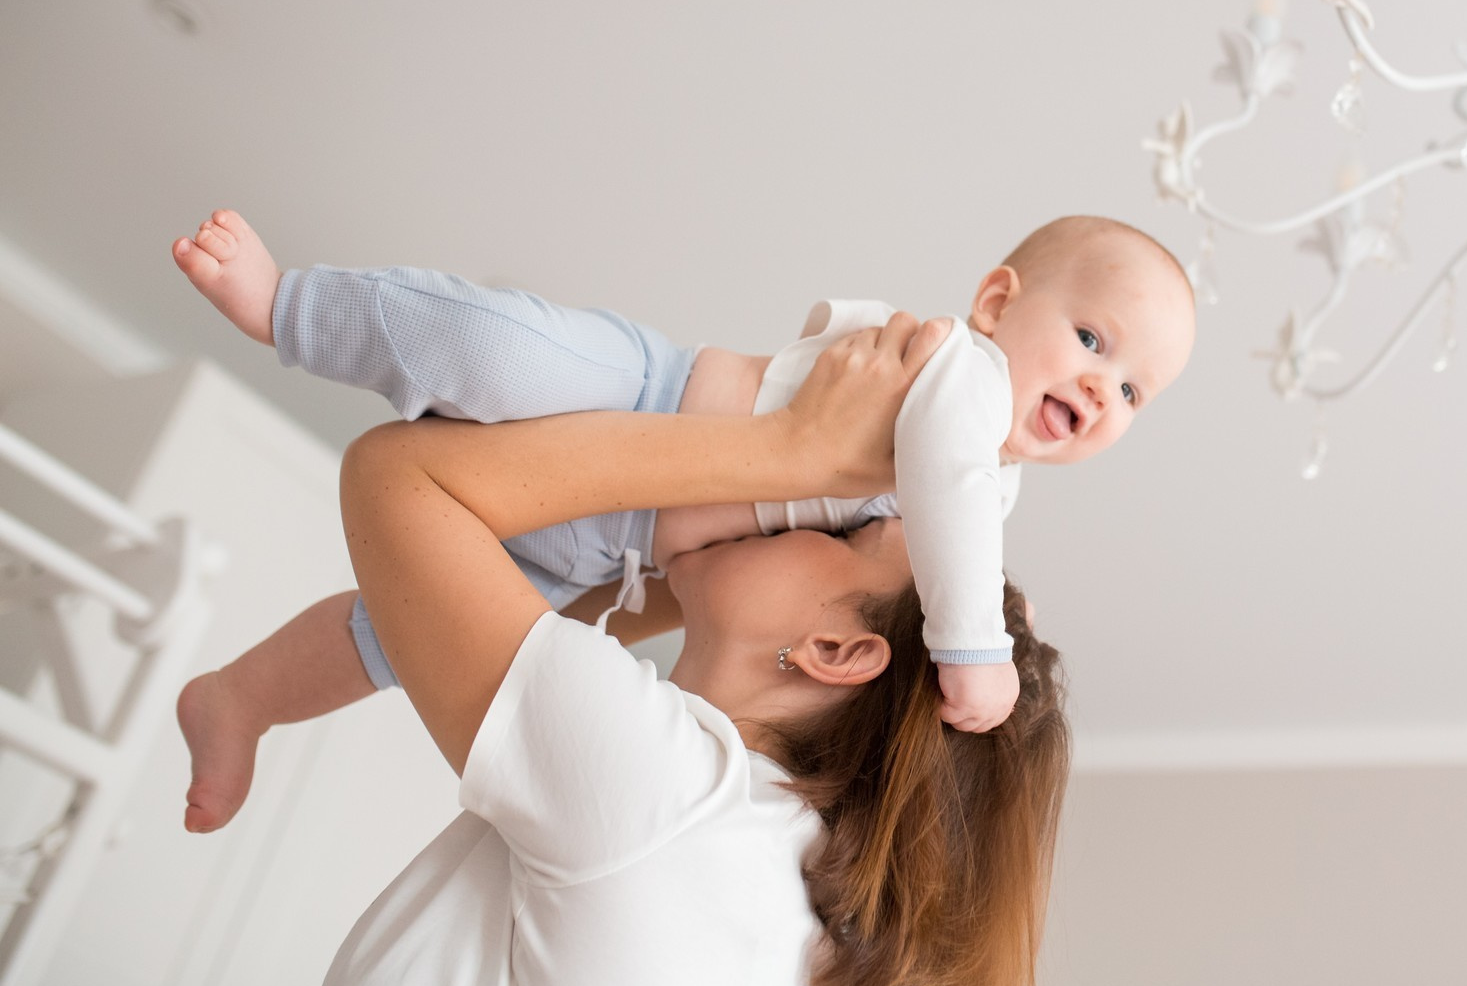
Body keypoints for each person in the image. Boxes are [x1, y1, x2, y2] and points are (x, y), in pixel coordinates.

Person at [171, 207, 1193, 831]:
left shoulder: (987, 487)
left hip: (615, 551)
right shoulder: (961, 385)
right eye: (1092, 338)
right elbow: (948, 499)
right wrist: (973, 651)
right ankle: (293, 308)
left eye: (1135, 392)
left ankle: (243, 695)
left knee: (396, 633)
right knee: (487, 344)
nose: (1103, 386)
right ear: (996, 299)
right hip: (640, 398)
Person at [315, 314, 1070, 986]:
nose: (800, 509)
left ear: (836, 651)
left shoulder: (673, 797)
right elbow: (464, 604)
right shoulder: (772, 900)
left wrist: (793, 447)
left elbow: (399, 476)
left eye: (843, 531)